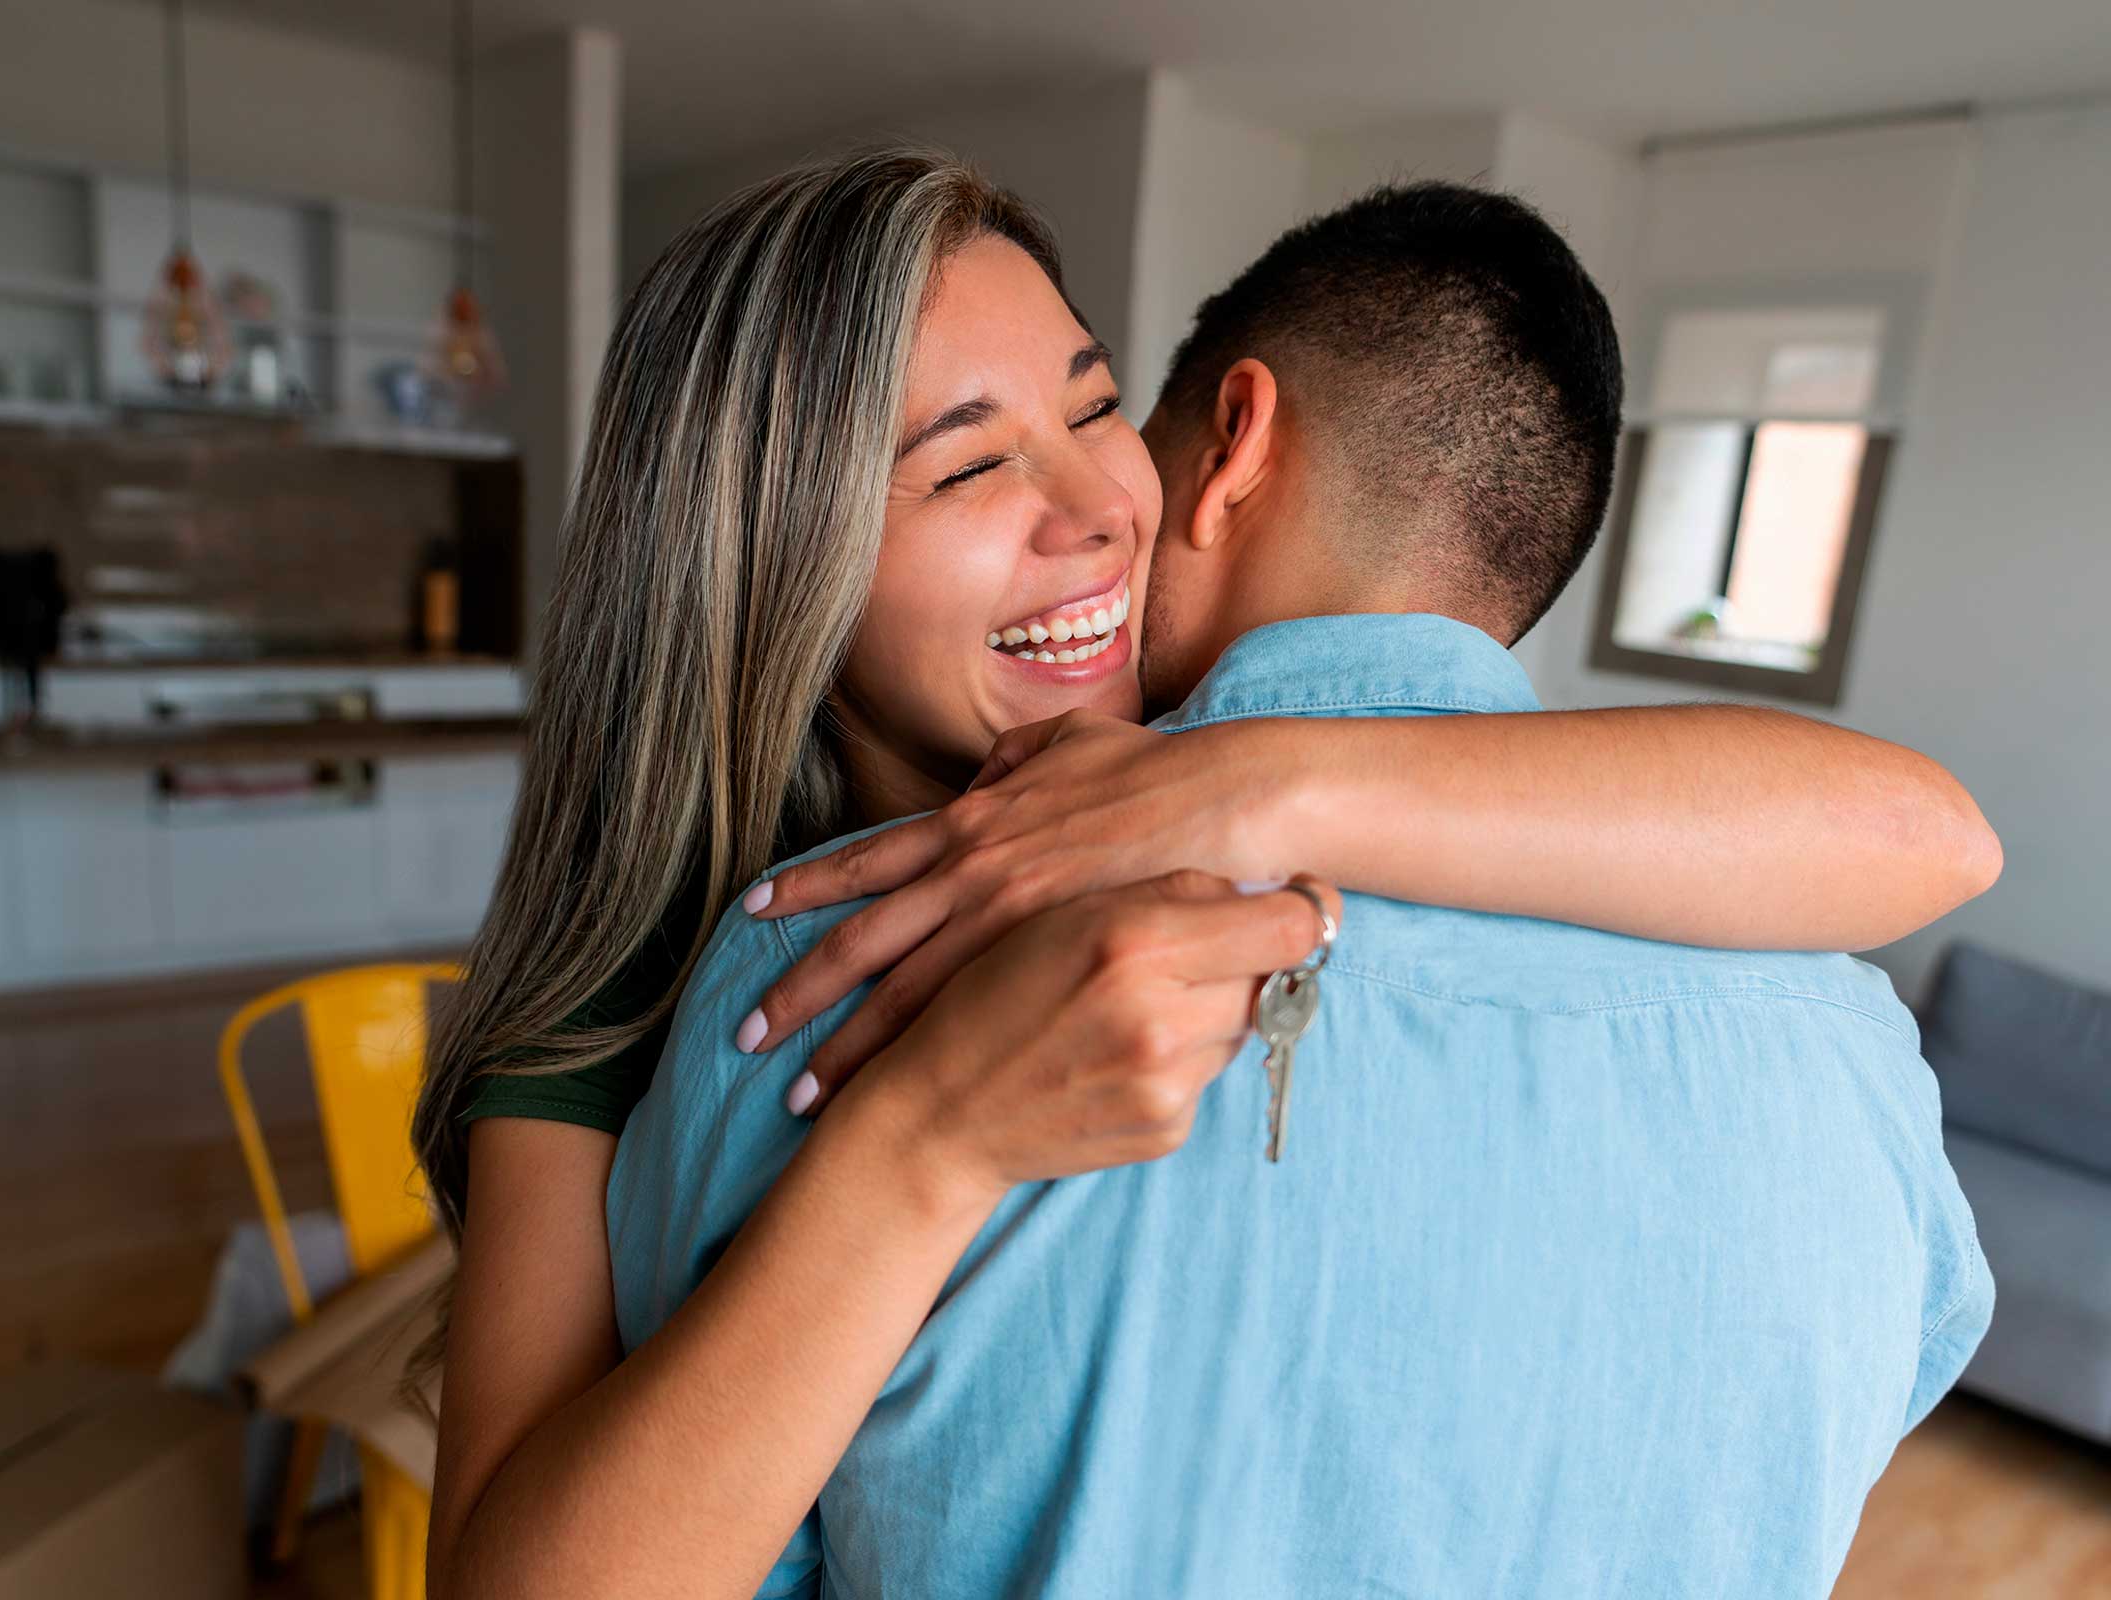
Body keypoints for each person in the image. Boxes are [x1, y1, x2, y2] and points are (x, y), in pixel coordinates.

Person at [415, 151, 1999, 1599]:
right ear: (764, 560)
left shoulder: (1279, 823)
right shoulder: (732, 982)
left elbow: (1927, 834)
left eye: (1097, 406)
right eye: (967, 468)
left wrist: (1244, 781)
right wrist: (926, 1134)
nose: (1105, 510)